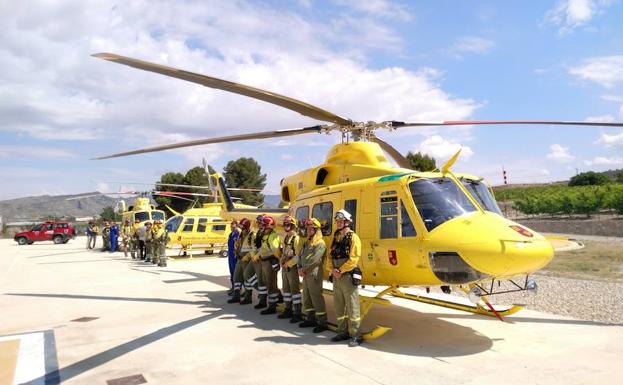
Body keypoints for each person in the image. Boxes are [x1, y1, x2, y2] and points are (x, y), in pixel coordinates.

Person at [327, 209, 363, 347]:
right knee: (338, 305)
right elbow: (329, 256)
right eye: (337, 221)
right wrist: (332, 270)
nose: (338, 224)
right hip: (336, 276)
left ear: (347, 222)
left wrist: (340, 270)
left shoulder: (353, 237)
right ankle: (342, 331)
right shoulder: (336, 237)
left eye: (341, 221)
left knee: (352, 305)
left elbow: (354, 258)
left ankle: (356, 335)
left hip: (347, 276)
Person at [298, 218, 328, 333]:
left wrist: (303, 269)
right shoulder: (307, 242)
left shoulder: (320, 243)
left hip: (314, 273)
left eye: (311, 229)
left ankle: (322, 322)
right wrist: (300, 268)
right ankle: (310, 318)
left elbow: (315, 260)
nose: (309, 230)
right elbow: (301, 256)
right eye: (308, 228)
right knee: (306, 296)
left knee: (316, 297)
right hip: (305, 273)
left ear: (316, 230)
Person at [278, 215, 302, 322]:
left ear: (293, 225)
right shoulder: (286, 237)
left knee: (294, 291)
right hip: (285, 268)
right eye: (285, 224)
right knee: (286, 290)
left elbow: (298, 256)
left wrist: (289, 264)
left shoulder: (296, 239)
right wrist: (282, 262)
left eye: (288, 224)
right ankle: (288, 309)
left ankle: (297, 313)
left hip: (292, 269)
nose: (286, 226)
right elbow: (284, 252)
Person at [257, 216, 281, 315]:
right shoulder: (265, 235)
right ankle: (275, 301)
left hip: (270, 262)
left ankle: (272, 306)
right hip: (264, 261)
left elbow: (276, 250)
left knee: (271, 284)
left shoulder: (272, 236)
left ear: (269, 226)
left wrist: (278, 261)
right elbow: (263, 248)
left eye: (263, 225)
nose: (261, 227)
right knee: (267, 283)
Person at [242, 215, 267, 307]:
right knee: (247, 274)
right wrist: (252, 255)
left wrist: (257, 256)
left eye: (260, 222)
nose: (258, 224)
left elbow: (264, 248)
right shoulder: (258, 232)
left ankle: (263, 301)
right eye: (257, 222)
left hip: (260, 259)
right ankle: (262, 291)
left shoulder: (265, 233)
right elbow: (254, 246)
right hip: (254, 258)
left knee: (261, 280)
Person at [228, 218, 255, 304]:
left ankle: (248, 298)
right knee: (236, 277)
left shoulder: (252, 235)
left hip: (246, 260)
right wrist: (237, 245)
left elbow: (254, 249)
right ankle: (236, 296)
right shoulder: (241, 235)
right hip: (239, 259)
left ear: (247, 228)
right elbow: (239, 246)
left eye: (243, 228)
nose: (241, 230)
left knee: (246, 279)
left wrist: (246, 257)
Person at [227, 220, 241, 295]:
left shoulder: (238, 234)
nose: (232, 227)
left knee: (236, 274)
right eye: (231, 226)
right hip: (230, 256)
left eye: (233, 226)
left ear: (236, 226)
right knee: (231, 273)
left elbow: (238, 245)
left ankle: (237, 290)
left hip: (235, 256)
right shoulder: (230, 234)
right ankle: (233, 287)